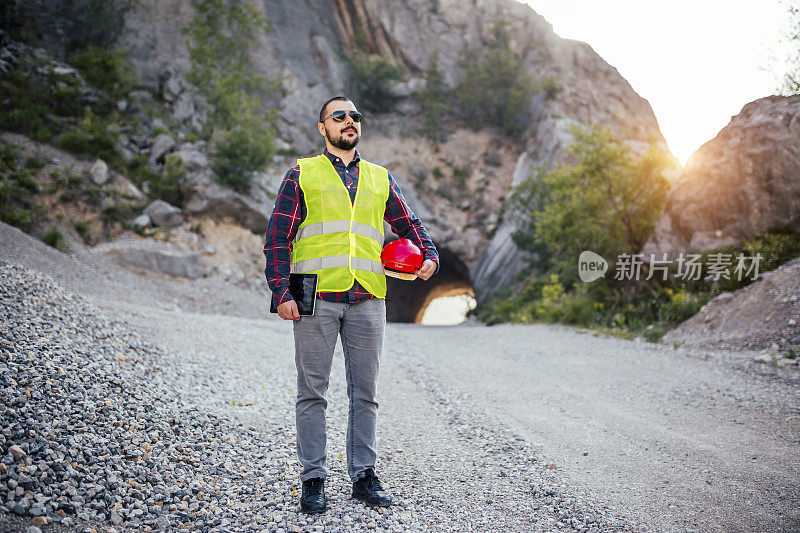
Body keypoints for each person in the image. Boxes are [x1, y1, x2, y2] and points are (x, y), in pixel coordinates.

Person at [263, 95, 439, 514]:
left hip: (367, 301)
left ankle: (363, 476)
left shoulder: (380, 178)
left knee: (366, 394)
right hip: (316, 299)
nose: (348, 121)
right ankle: (313, 480)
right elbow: (276, 238)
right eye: (338, 116)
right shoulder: (301, 174)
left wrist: (428, 252)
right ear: (323, 128)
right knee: (313, 393)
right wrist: (281, 293)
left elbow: (408, 224)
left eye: (354, 116)